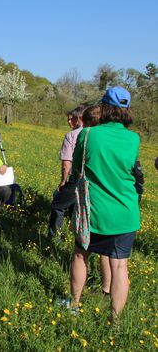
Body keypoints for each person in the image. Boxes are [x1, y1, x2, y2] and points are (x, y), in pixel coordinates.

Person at [70, 87, 140, 321]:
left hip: (94, 212)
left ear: (105, 107)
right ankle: (114, 321)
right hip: (126, 212)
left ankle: (74, 305)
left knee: (81, 255)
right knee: (120, 267)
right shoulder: (134, 138)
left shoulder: (89, 134)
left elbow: (77, 167)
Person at [48, 105, 85, 238]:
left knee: (58, 205)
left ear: (79, 118)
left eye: (72, 119)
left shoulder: (71, 135)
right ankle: (75, 234)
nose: (69, 122)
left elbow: (66, 162)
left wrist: (63, 182)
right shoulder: (96, 133)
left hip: (76, 177)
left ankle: (53, 237)